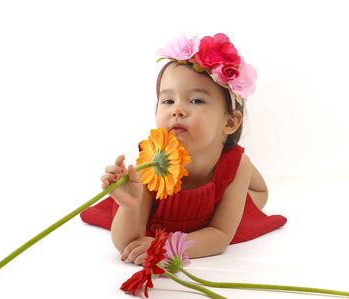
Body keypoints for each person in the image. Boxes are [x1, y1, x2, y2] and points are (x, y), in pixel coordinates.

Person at [80, 33, 287, 265]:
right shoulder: (152, 161)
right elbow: (127, 243)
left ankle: (233, 187)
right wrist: (129, 206)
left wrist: (166, 247)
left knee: (256, 193)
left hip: (221, 188)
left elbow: (219, 236)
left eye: (196, 100)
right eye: (167, 101)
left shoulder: (238, 167)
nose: (177, 110)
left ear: (229, 122)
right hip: (163, 212)